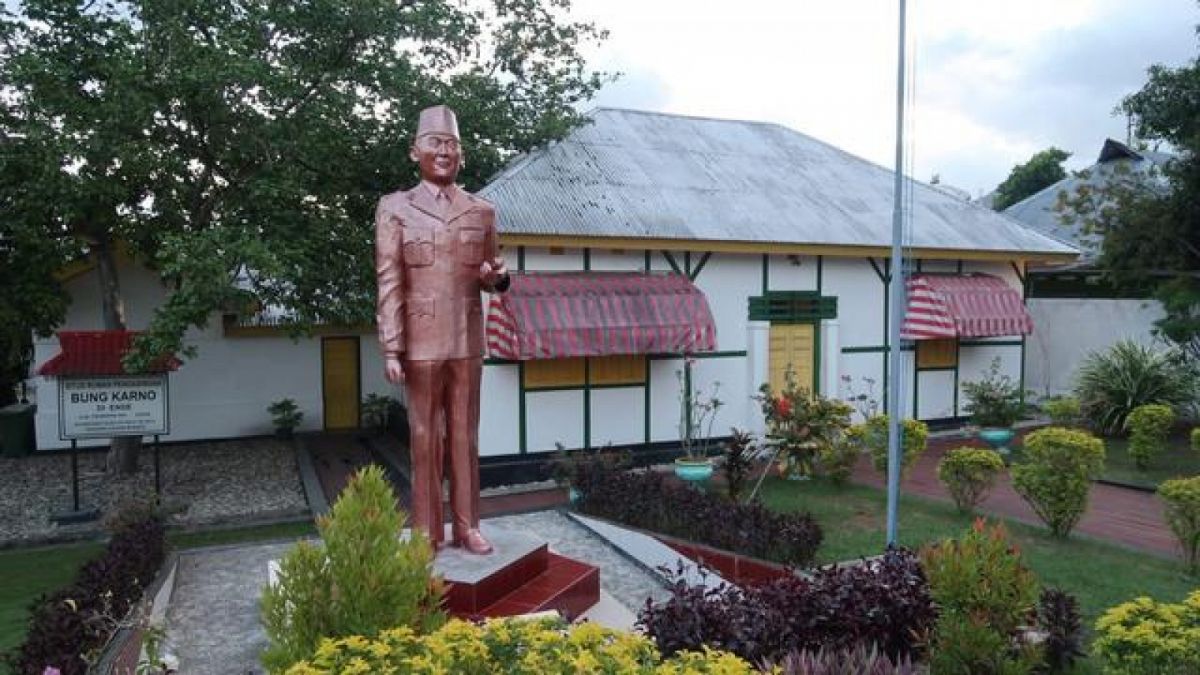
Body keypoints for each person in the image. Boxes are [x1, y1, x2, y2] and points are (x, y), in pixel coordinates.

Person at [374, 104, 509, 554]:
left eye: (452, 144)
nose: (445, 151)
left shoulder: (482, 211)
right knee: (424, 437)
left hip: (467, 341)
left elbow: (495, 272)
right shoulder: (395, 208)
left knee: (465, 436)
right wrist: (392, 347)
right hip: (421, 343)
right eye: (436, 143)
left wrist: (496, 279)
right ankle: (428, 531)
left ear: (462, 156)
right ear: (416, 151)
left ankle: (468, 526)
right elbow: (389, 279)